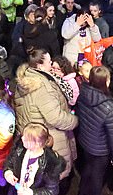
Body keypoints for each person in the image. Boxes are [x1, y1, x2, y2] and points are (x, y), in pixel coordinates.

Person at [14, 49, 78, 191]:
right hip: (51, 139)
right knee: (54, 179)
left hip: (33, 138)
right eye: (49, 62)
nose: (51, 65)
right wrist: (74, 121)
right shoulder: (42, 87)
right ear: (40, 66)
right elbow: (56, 117)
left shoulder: (24, 79)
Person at [75, 66, 113, 195]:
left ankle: (81, 191)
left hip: (85, 142)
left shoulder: (83, 93)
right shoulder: (111, 107)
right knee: (97, 178)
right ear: (106, 81)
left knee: (88, 169)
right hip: (100, 150)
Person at [3, 122, 65, 195]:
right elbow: (9, 162)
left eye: (26, 139)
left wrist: (32, 193)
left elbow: (51, 191)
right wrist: (8, 173)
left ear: (37, 144)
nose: (22, 138)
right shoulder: (19, 148)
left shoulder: (50, 163)